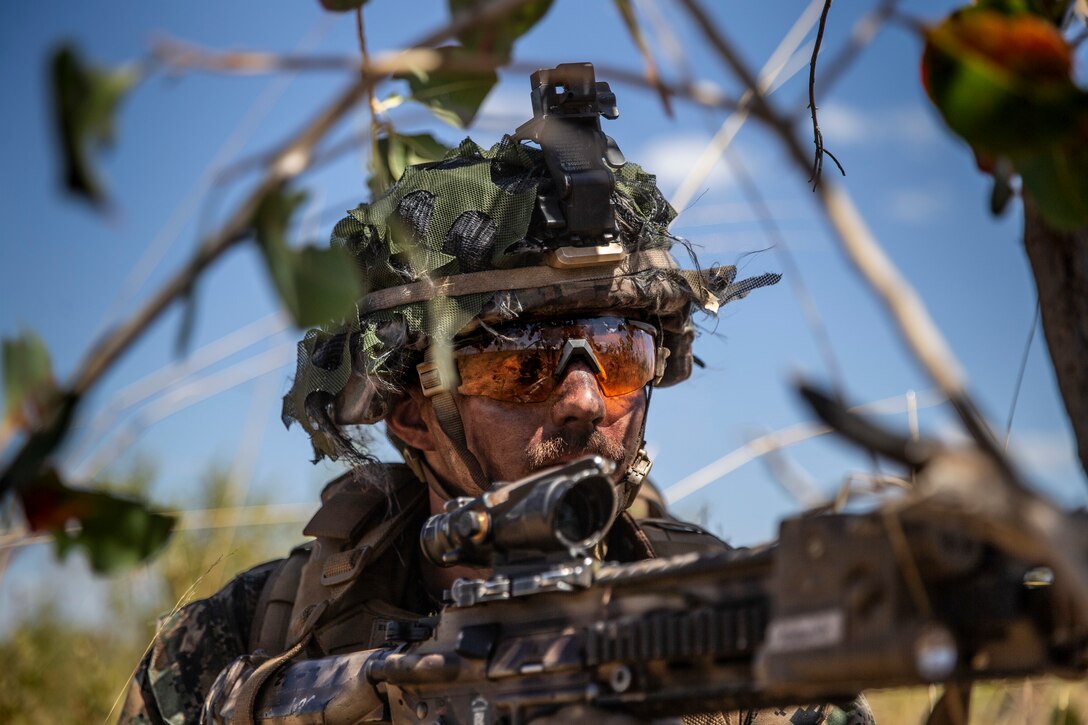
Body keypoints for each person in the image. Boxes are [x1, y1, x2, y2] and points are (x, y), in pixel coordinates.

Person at [119, 64, 874, 725]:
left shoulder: (741, 632)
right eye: (521, 366)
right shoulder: (242, 638)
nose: (584, 401)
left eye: (618, 356)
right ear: (413, 413)